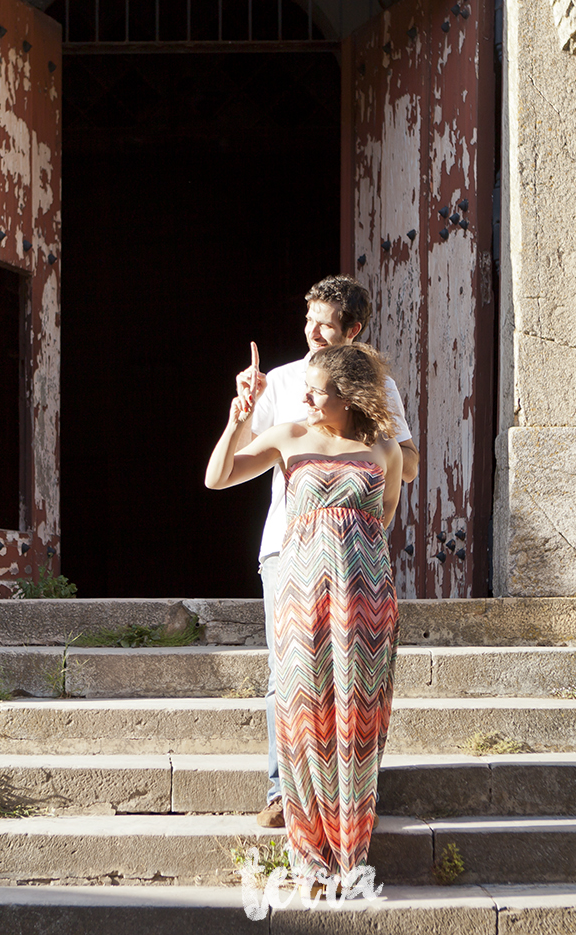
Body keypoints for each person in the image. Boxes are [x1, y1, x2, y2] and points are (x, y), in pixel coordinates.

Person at [206, 342, 402, 890]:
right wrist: (237, 419)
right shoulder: (290, 438)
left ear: (351, 396)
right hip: (301, 595)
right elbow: (217, 478)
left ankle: (352, 851)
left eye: (319, 390)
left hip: (366, 601)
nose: (306, 396)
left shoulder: (383, 449)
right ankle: (311, 850)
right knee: (304, 713)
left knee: (358, 717)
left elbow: (379, 524)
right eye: (307, 387)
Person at [230, 275, 417, 828]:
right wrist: (240, 408)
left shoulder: (378, 388)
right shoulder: (282, 381)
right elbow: (237, 460)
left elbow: (403, 460)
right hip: (286, 548)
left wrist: (361, 448)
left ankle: (351, 795)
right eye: (307, 319)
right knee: (286, 673)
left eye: (324, 324)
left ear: (353, 331)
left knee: (356, 675)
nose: (310, 331)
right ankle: (281, 792)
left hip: (352, 556)